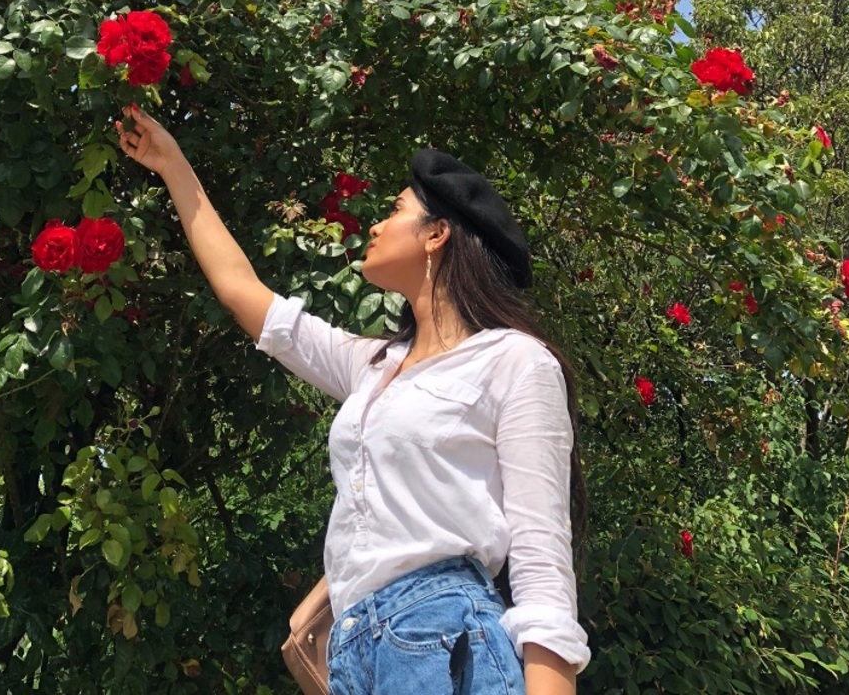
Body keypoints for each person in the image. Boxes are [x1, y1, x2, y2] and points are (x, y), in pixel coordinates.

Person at [117, 105, 591, 695]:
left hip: (446, 638)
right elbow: (245, 293)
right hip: (354, 649)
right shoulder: (372, 365)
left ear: (437, 234)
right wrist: (174, 167)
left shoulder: (515, 361)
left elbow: (542, 563)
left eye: (394, 211)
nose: (374, 224)